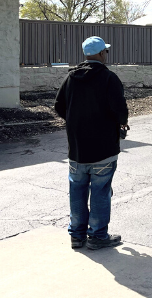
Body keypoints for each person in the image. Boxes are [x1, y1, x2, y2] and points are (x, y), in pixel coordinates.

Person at [54, 36, 129, 250]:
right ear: (102, 54)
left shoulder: (71, 78)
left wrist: (75, 121)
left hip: (77, 149)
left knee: (77, 191)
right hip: (104, 149)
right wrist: (120, 122)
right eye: (106, 51)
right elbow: (120, 109)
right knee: (100, 191)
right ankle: (97, 236)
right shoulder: (108, 78)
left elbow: (59, 106)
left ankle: (77, 236)